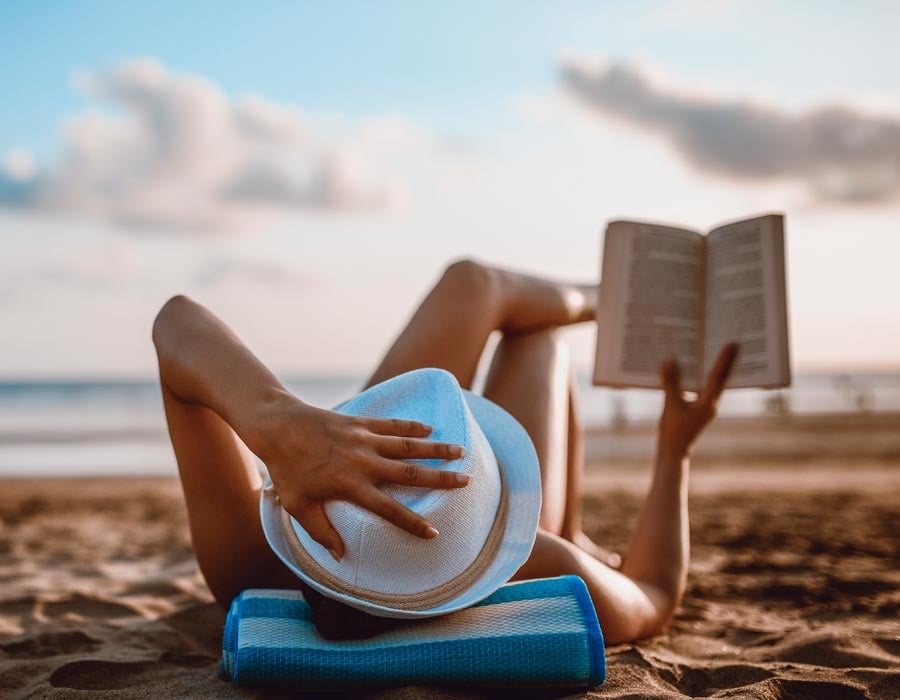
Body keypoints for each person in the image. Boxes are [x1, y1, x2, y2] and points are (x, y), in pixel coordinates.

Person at [152, 259, 737, 645]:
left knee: (472, 285)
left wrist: (278, 421)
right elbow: (655, 593)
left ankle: (606, 298)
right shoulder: (539, 567)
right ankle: (610, 300)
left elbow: (176, 322)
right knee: (535, 337)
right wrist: (675, 449)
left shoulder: (255, 566)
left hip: (365, 504)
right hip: (538, 544)